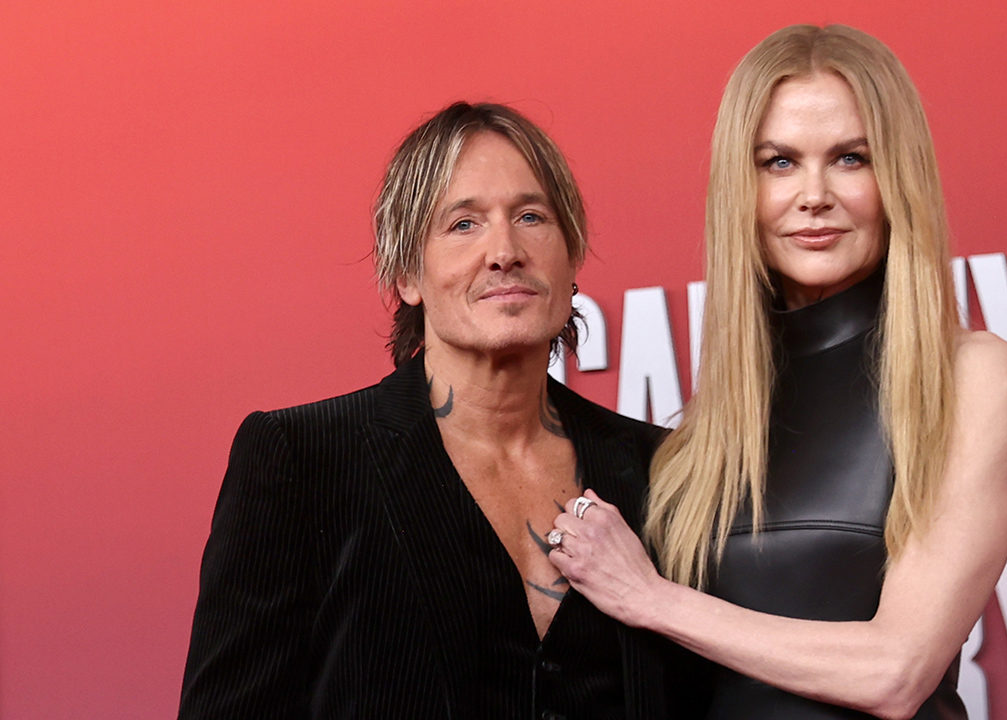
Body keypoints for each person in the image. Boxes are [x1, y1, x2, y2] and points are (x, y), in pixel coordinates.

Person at [546, 25, 1007, 720]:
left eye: (850, 158)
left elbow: (896, 672)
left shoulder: (975, 378)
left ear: (899, 175)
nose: (813, 195)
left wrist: (652, 598)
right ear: (738, 188)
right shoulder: (705, 433)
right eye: (778, 162)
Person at [179, 102, 695, 719]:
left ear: (572, 256)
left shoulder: (662, 468)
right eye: (463, 225)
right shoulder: (302, 459)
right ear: (407, 276)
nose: (504, 251)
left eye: (531, 217)